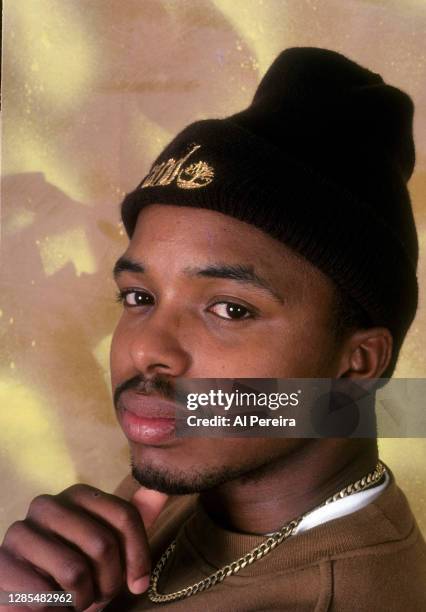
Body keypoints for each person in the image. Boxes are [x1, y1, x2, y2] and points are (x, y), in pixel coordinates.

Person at [1, 47, 425, 612]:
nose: (147, 349)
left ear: (359, 364)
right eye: (139, 296)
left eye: (229, 309)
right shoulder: (190, 479)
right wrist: (33, 600)